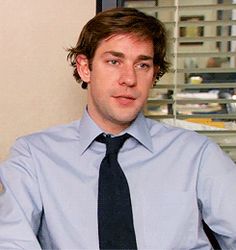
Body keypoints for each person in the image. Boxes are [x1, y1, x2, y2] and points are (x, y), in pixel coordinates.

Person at [0, 7, 236, 250]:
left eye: (142, 65)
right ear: (85, 68)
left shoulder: (197, 156)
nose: (129, 79)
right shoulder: (33, 157)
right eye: (114, 61)